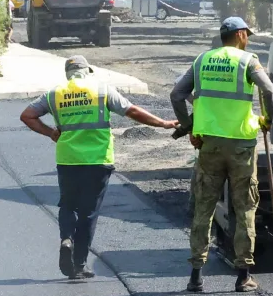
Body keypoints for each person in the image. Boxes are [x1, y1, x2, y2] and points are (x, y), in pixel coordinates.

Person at [21, 55, 176, 280]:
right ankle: (80, 263)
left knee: (68, 204)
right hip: (98, 159)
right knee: (88, 212)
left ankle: (66, 238)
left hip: (68, 158)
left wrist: (50, 132)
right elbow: (131, 110)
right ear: (87, 71)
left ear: (68, 74)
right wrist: (162, 123)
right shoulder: (101, 90)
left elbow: (27, 116)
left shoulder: (55, 93)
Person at [172, 16, 273, 294]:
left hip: (209, 146)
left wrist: (189, 127)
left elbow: (176, 94)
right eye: (248, 35)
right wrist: (266, 120)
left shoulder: (202, 61)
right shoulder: (247, 61)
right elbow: (269, 90)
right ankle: (243, 276)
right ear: (241, 34)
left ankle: (196, 275)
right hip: (241, 146)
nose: (249, 39)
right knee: (244, 208)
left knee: (204, 208)